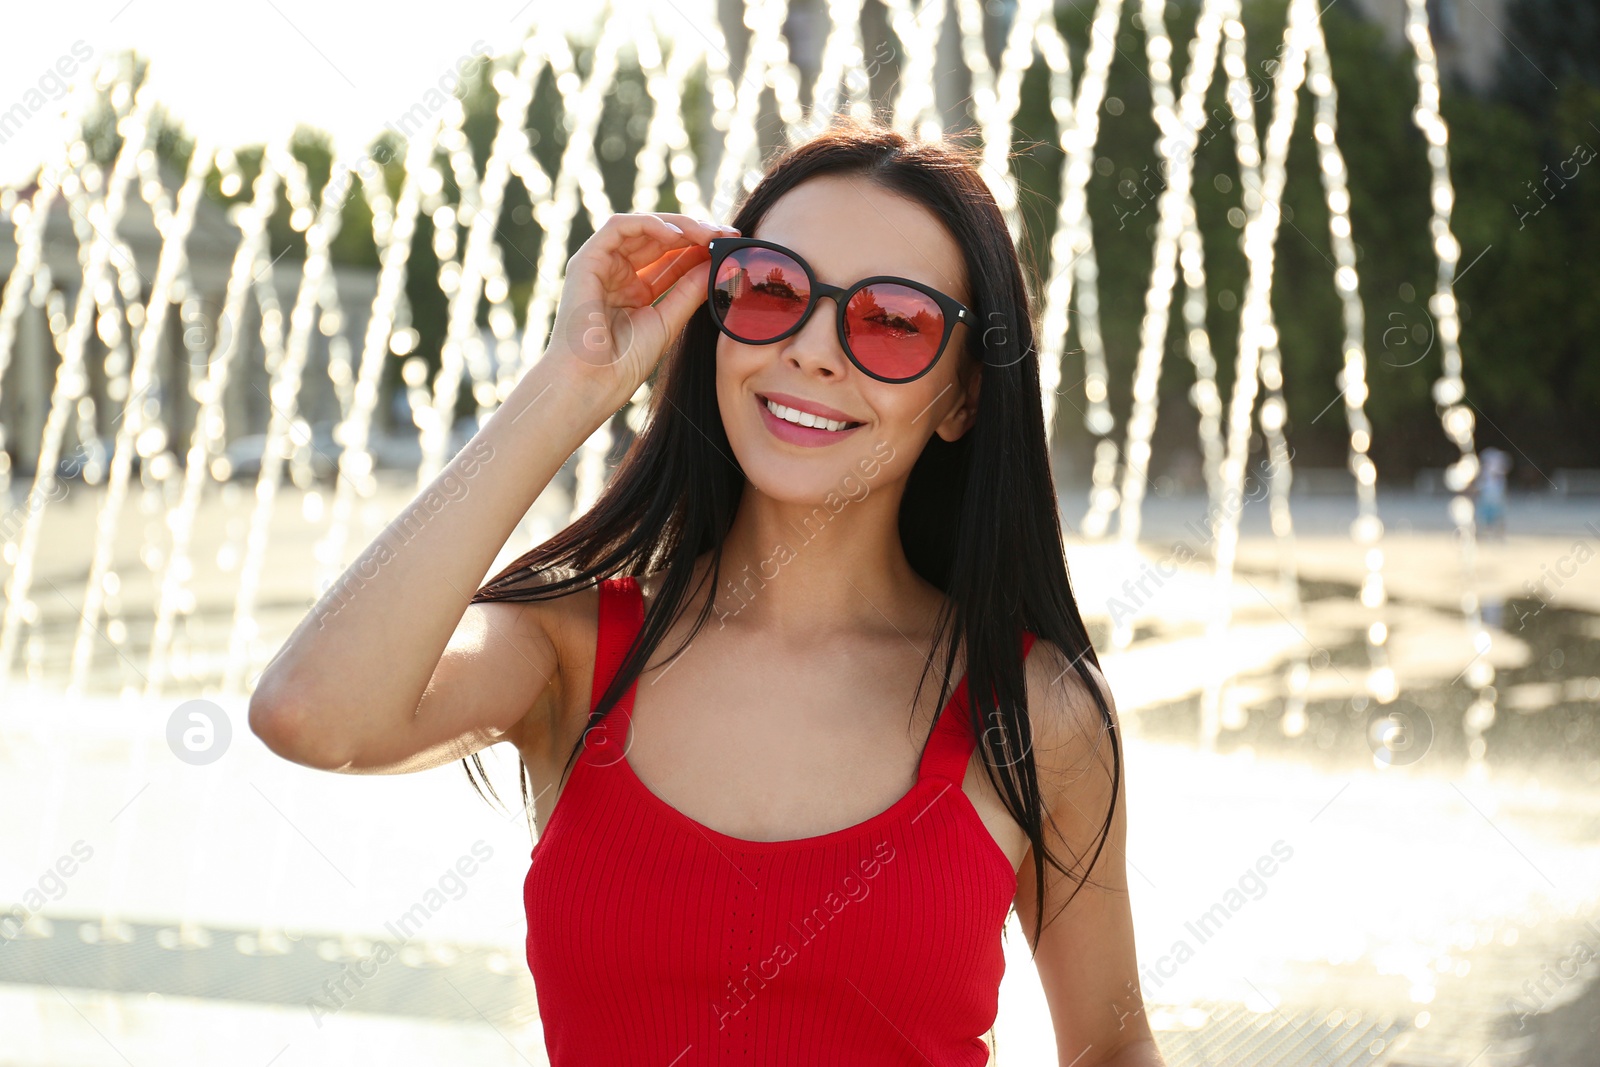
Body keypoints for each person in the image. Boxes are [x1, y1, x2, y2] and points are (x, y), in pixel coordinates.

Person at [249, 116, 1161, 1066]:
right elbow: (310, 713)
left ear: (965, 397)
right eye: (772, 290)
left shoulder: (1035, 711)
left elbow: (1111, 1048)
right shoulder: (575, 654)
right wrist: (573, 379)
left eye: (893, 320)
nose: (812, 350)